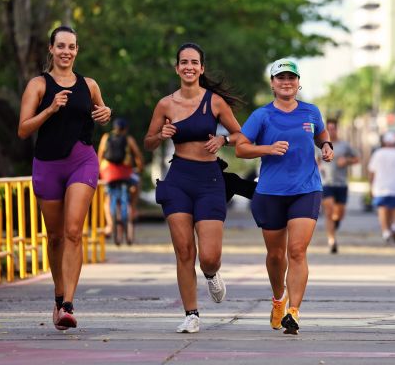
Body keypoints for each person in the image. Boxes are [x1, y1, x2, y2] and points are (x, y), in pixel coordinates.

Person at [143, 42, 242, 334]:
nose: (189, 67)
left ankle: (211, 273)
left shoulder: (214, 102)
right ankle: (191, 314)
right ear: (177, 68)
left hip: (210, 180)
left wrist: (223, 140)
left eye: (194, 62)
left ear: (201, 68)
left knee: (208, 255)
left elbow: (239, 134)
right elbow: (148, 142)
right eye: (183, 62)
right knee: (184, 251)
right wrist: (160, 134)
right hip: (178, 181)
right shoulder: (165, 104)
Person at [18, 26, 111, 330]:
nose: (66, 52)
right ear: (51, 49)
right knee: (55, 236)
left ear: (77, 50)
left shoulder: (89, 84)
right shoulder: (38, 85)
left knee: (73, 231)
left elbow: (100, 110)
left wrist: (104, 113)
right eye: (61, 46)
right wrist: (50, 110)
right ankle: (58, 297)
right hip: (47, 164)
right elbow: (23, 129)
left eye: (71, 47)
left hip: (81, 161)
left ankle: (69, 304)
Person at [236, 58, 333, 335]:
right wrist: (267, 149)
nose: (286, 82)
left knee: (297, 251)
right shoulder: (262, 116)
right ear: (273, 84)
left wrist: (326, 145)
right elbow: (242, 148)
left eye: (291, 78)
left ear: (299, 83)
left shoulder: (311, 111)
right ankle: (279, 299)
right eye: (281, 78)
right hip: (270, 193)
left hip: (306, 189)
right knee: (276, 255)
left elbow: (321, 133)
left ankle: (294, 312)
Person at [97, 117, 144, 245]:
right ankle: (133, 209)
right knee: (137, 182)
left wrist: (100, 173)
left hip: (108, 174)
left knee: (107, 200)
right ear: (125, 129)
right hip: (125, 173)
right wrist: (140, 168)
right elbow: (138, 155)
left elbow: (100, 155)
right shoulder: (129, 139)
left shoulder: (106, 137)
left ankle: (110, 225)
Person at [319, 118, 359, 254]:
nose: (331, 131)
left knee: (339, 214)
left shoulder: (344, 145)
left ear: (336, 129)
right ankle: (332, 241)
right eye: (328, 129)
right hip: (326, 183)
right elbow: (314, 160)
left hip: (341, 184)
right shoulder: (320, 145)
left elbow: (357, 158)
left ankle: (335, 224)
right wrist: (319, 166)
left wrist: (346, 160)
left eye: (333, 129)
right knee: (329, 211)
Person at [368, 132, 395, 243]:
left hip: (380, 186)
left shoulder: (377, 154)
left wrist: (370, 186)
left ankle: (385, 231)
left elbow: (372, 171)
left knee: (382, 209)